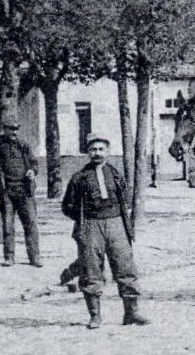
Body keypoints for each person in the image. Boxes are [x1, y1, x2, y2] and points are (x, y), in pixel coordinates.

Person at [61, 135, 145, 329]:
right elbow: (67, 206)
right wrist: (86, 220)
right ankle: (95, 316)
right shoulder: (79, 178)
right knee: (91, 270)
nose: (97, 153)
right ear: (87, 152)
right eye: (93, 149)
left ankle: (131, 313)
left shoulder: (115, 174)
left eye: (101, 149)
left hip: (116, 224)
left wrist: (117, 217)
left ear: (107, 151)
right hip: (91, 226)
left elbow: (127, 196)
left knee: (126, 267)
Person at [0, 117, 41, 267]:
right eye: (11, 128)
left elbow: (34, 163)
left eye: (16, 129)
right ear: (4, 129)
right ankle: (9, 257)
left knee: (31, 223)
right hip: (6, 190)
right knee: (8, 224)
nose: (14, 132)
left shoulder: (24, 145)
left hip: (25, 190)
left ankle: (35, 257)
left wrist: (32, 171)